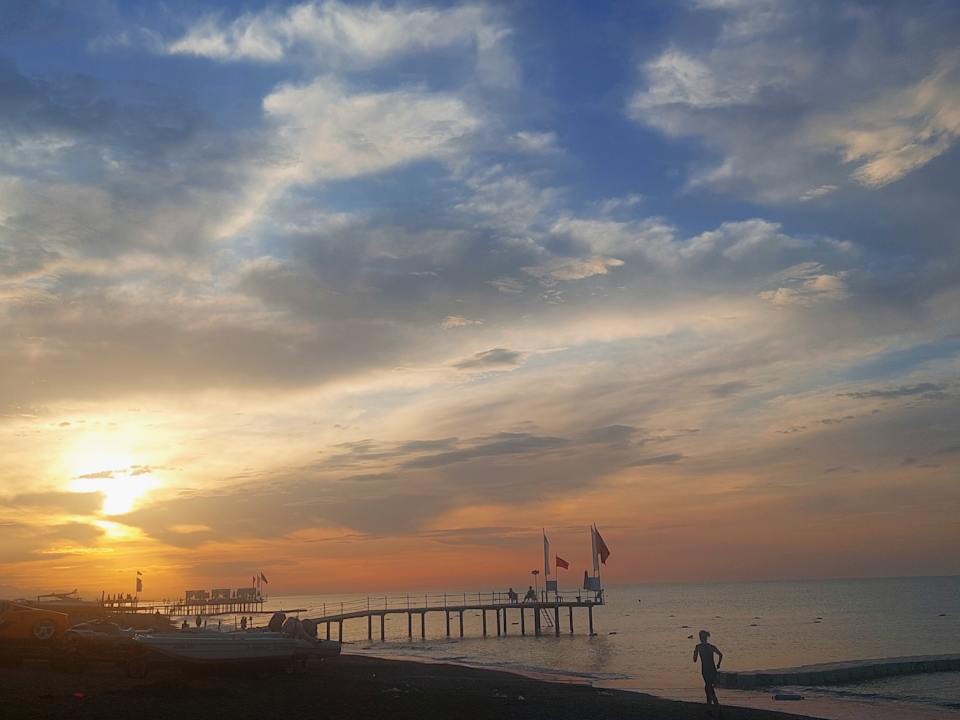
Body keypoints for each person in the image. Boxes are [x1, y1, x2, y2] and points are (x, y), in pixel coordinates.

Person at [693, 630, 723, 716]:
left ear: (701, 638)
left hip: (706, 670)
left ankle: (717, 708)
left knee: (709, 689)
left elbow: (694, 660)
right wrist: (718, 664)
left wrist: (694, 653)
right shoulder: (711, 647)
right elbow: (721, 655)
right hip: (712, 670)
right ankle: (710, 709)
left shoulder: (698, 647)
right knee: (708, 689)